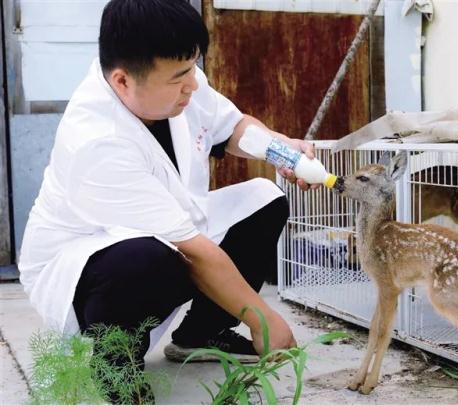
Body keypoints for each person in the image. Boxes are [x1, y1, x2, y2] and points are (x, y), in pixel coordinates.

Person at [18, 0, 317, 391]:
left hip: (174, 226)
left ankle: (201, 333)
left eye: (193, 67)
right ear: (123, 81)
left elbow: (231, 128)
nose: (193, 84)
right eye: (180, 77)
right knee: (143, 260)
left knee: (265, 198)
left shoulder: (178, 80)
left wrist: (281, 150)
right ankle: (118, 368)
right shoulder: (96, 140)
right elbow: (193, 250)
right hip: (87, 259)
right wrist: (264, 320)